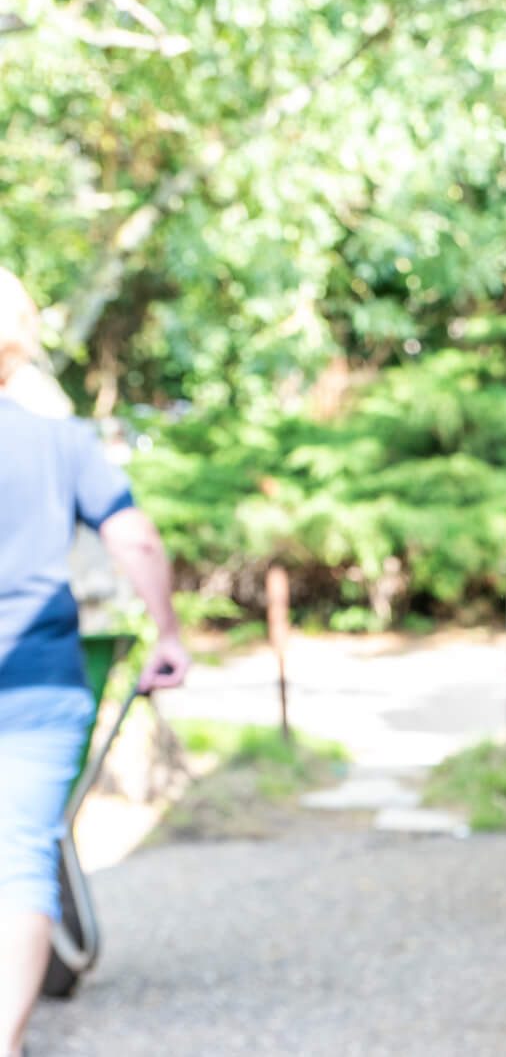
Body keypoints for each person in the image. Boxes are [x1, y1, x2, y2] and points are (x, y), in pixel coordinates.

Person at [0, 270, 187, 1057]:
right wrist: (169, 633)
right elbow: (135, 539)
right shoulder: (57, 442)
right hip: (38, 682)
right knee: (19, 862)